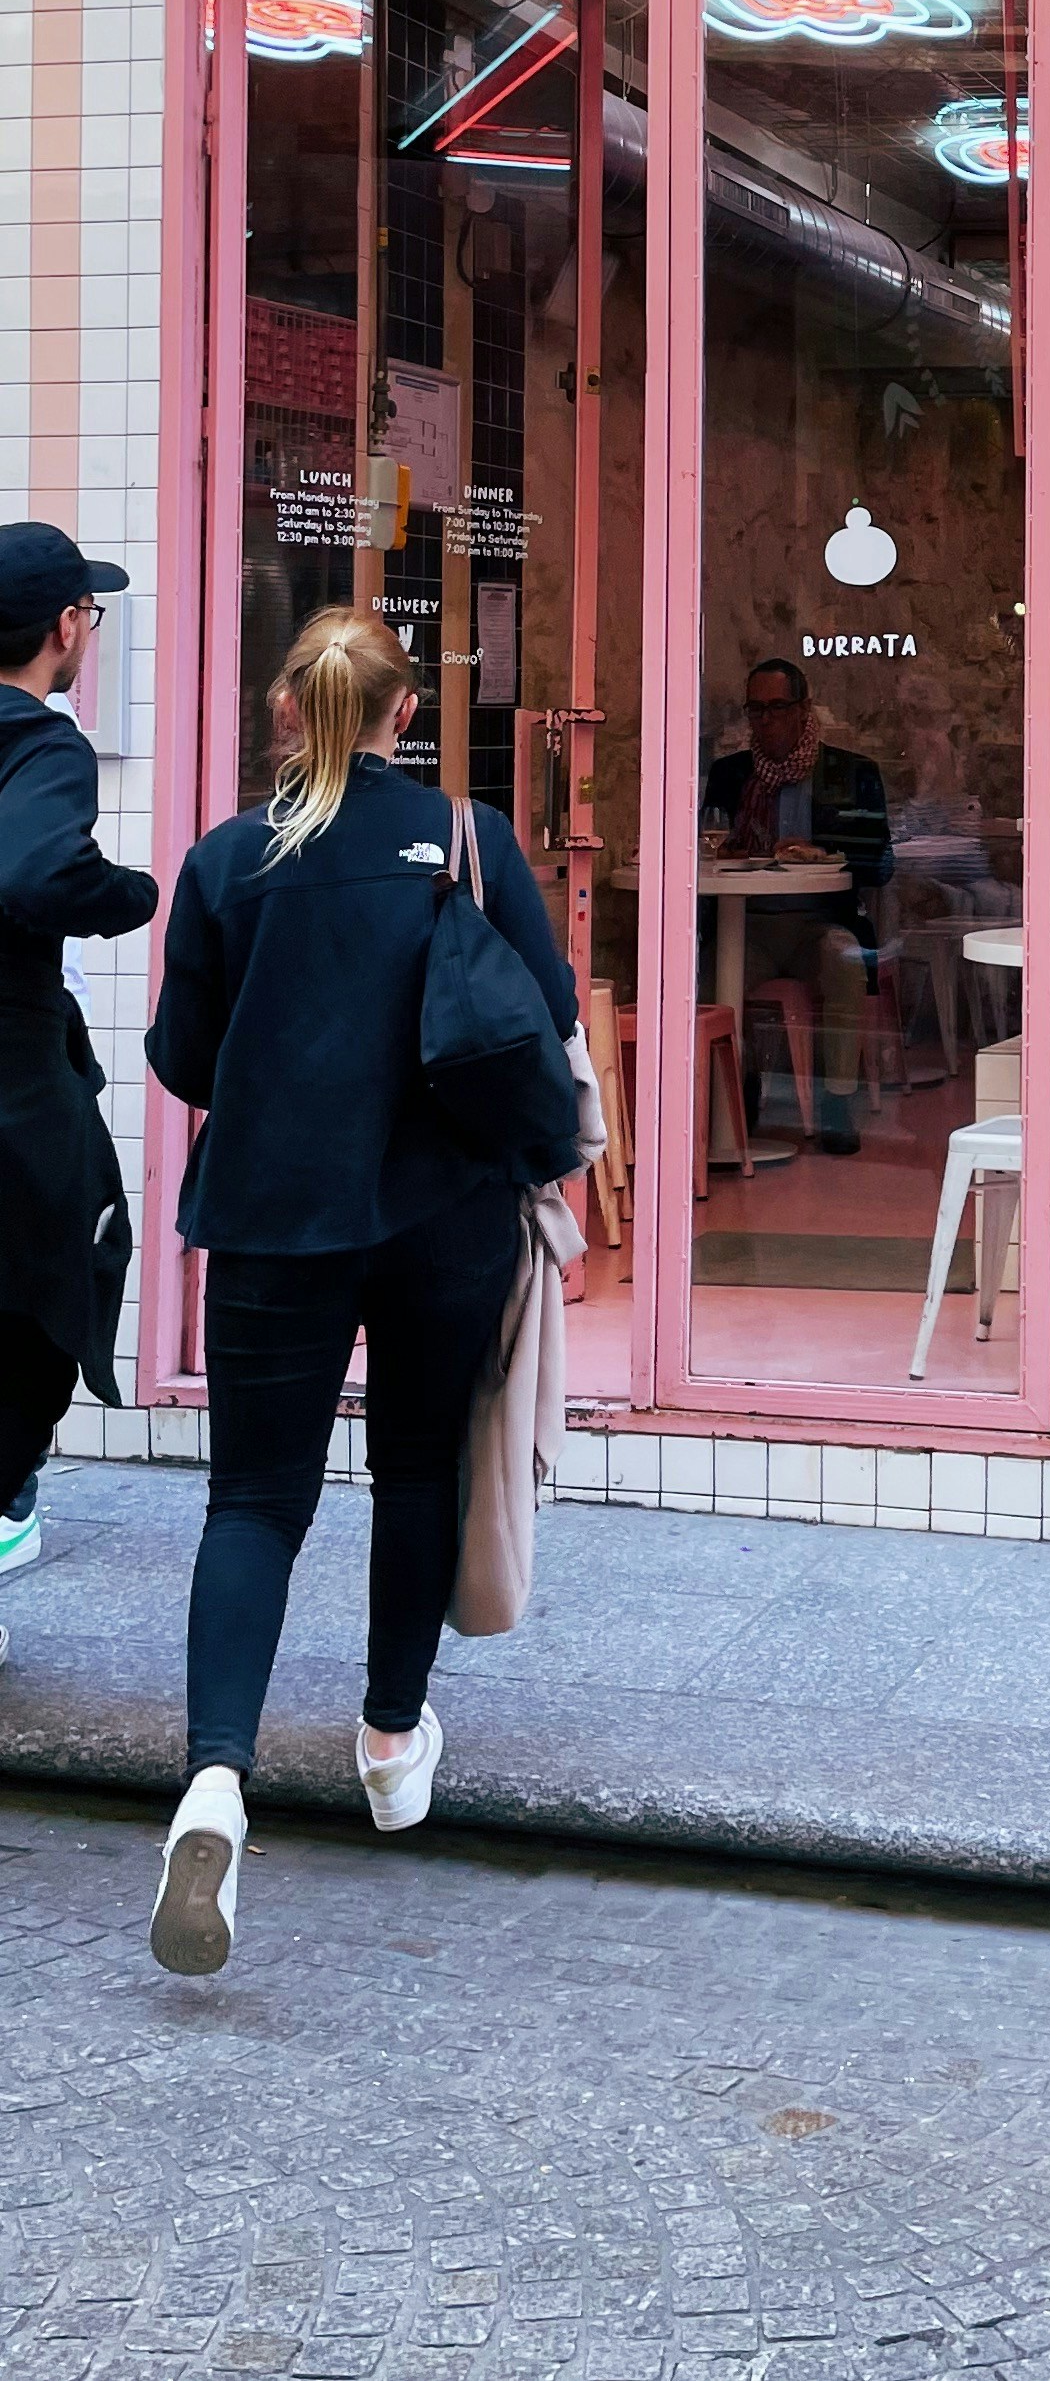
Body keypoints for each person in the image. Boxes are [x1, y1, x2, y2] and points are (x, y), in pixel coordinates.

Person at [142, 605, 576, 1977]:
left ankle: (215, 1782)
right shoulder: (463, 836)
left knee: (253, 1499)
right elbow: (549, 1009)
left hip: (274, 1216)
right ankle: (391, 1739)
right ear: (406, 713)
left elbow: (183, 1057)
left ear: (288, 708)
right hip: (442, 1209)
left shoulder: (226, 859)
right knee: (416, 1466)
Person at [0, 523, 157, 1661]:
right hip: (13, 1078)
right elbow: (40, 871)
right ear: (66, 626)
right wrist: (129, 892)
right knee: (69, 1270)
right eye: (87, 614)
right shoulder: (41, 741)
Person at [702, 658, 892, 1155]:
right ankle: (733, 1096)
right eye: (755, 709)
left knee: (844, 961)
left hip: (818, 921)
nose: (766, 720)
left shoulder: (849, 773)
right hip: (749, 922)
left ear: (803, 709)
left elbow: (881, 863)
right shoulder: (730, 774)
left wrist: (823, 852)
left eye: (777, 708)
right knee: (712, 978)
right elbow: (705, 846)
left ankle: (837, 1100)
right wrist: (729, 852)